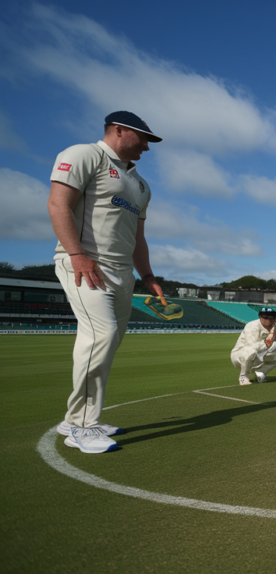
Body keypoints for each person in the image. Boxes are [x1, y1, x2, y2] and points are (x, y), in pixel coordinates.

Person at [47, 111, 165, 454]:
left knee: (106, 344)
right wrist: (77, 255)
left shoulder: (142, 185)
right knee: (102, 335)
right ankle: (82, 426)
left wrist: (148, 276)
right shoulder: (84, 155)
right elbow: (58, 205)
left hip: (123, 273)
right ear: (119, 130)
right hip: (85, 265)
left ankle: (75, 419)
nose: (146, 146)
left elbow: (138, 238)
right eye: (142, 138)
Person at [231, 308, 276, 385]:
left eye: (270, 316)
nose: (267, 319)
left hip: (260, 355)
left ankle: (260, 372)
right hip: (240, 356)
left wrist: (274, 335)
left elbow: (273, 349)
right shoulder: (252, 325)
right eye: (264, 316)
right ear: (260, 316)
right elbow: (252, 345)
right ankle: (243, 376)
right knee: (251, 350)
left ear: (274, 318)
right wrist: (268, 341)